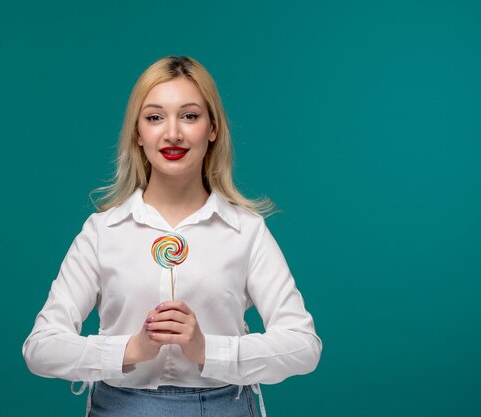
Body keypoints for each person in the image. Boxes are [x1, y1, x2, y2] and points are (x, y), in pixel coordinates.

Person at [22, 56, 322, 417]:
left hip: (224, 406)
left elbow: (303, 346)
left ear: (212, 128)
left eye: (190, 116)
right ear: (137, 132)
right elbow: (41, 348)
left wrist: (207, 349)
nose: (173, 133)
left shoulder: (246, 231)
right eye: (154, 117)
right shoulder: (102, 232)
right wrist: (132, 349)